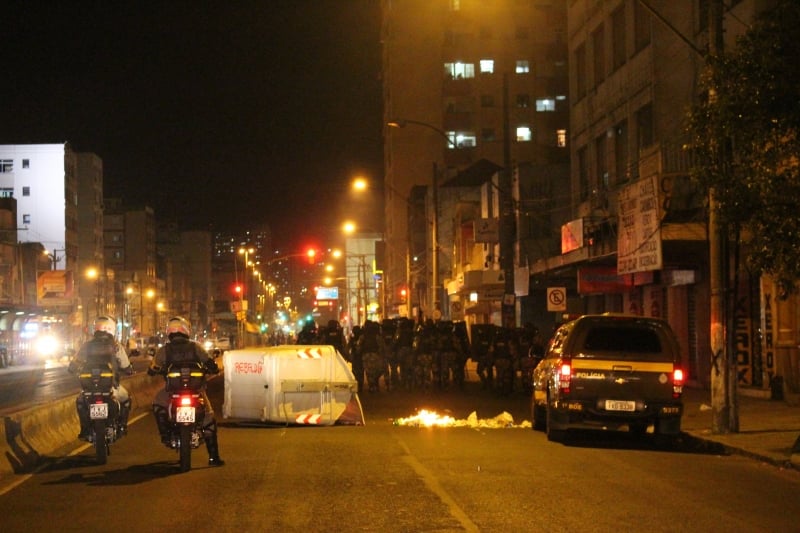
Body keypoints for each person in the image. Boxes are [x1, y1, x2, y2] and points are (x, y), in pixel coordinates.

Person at [148, 316, 225, 467]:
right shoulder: (195, 347)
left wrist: (154, 370)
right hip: (196, 391)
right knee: (208, 418)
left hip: (173, 392)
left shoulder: (165, 350)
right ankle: (213, 458)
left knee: (158, 403)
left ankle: (165, 435)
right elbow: (210, 364)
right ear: (186, 330)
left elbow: (153, 368)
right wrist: (212, 368)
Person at [68, 315, 134, 440]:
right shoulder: (116, 346)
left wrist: (71, 369)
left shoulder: (87, 346)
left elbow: (76, 362)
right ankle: (122, 426)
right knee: (126, 400)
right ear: (112, 329)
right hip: (111, 387)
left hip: (89, 388)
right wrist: (128, 370)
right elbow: (125, 365)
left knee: (80, 402)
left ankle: (85, 430)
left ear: (95, 329)